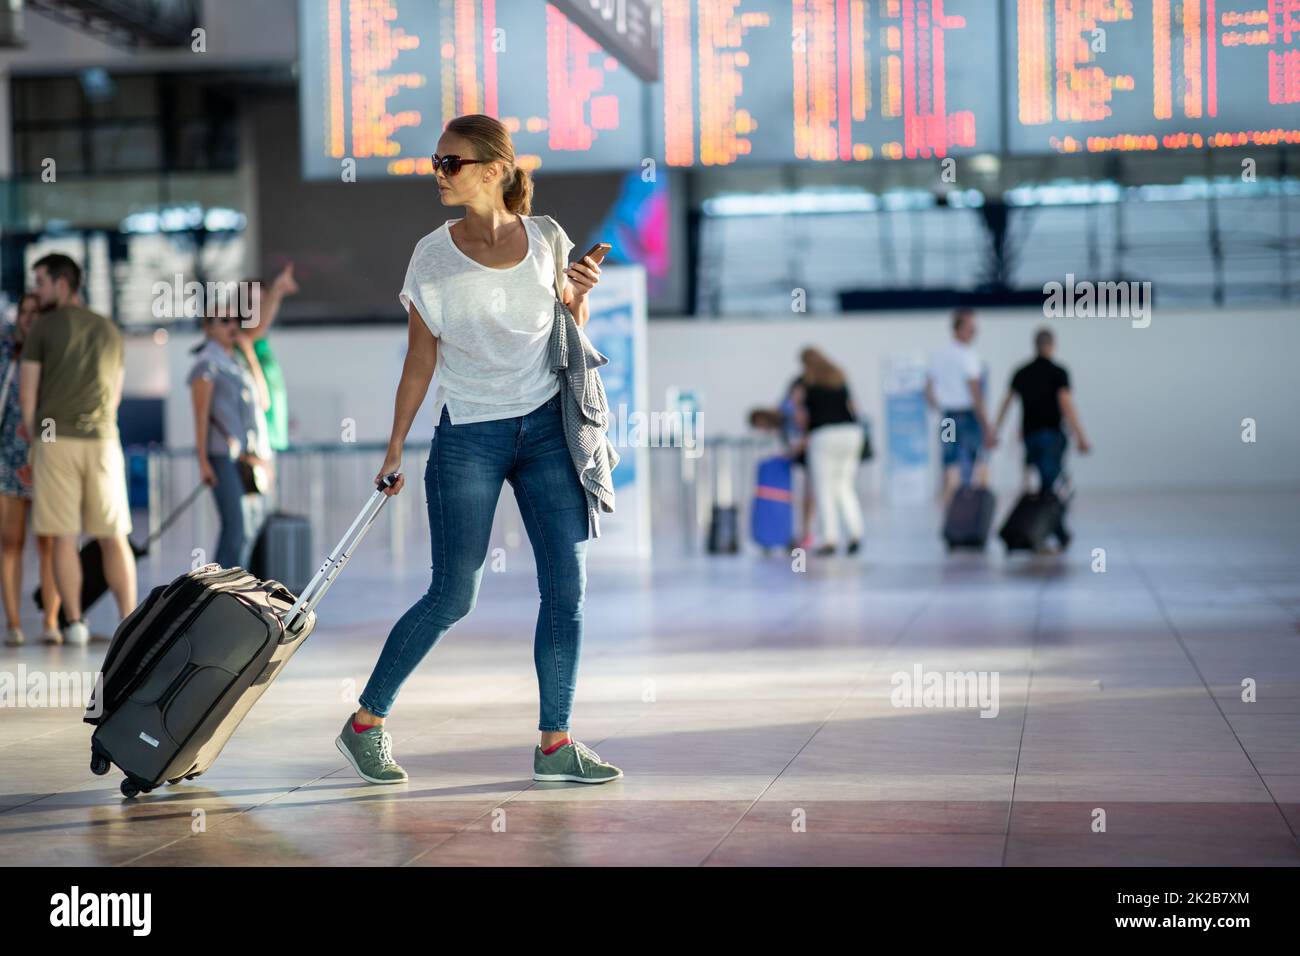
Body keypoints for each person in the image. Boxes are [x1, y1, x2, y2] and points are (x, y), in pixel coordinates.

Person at [336, 113, 622, 786]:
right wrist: (394, 447)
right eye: (437, 163)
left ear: (495, 170)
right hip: (469, 433)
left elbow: (566, 331)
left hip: (548, 428)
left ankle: (556, 745)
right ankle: (365, 724)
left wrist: (576, 298)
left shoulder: (548, 238)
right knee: (452, 595)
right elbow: (417, 360)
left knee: (566, 590)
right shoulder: (430, 255)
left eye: (450, 163)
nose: (438, 174)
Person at [19, 254, 135, 647]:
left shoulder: (43, 327)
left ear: (62, 283)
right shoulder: (109, 330)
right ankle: (128, 620)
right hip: (103, 440)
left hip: (56, 442)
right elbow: (115, 395)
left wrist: (37, 442)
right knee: (113, 534)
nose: (37, 289)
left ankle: (74, 623)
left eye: (41, 281)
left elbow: (28, 395)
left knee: (65, 537)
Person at [187, 306, 271, 569]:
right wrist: (203, 461)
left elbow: (264, 401)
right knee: (237, 525)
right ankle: (221, 589)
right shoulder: (206, 364)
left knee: (251, 524)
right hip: (221, 455)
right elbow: (200, 415)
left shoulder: (237, 363)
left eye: (235, 319)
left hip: (246, 458)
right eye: (224, 321)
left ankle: (237, 586)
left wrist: (249, 354)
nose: (232, 325)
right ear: (208, 328)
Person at [993, 327, 1091, 547]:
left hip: (1029, 437)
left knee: (1042, 485)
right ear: (1052, 345)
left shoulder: (1022, 372)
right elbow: (1067, 405)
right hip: (1051, 437)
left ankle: (1052, 532)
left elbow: (1006, 403)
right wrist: (1080, 436)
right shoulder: (1058, 372)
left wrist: (995, 431)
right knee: (1050, 486)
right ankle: (1052, 532)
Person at [1, 294, 61, 646]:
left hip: (45, 459)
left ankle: (52, 621)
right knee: (10, 543)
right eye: (23, 312)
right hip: (8, 459)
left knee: (50, 544)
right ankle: (13, 623)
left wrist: (48, 447)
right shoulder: (7, 355)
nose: (28, 318)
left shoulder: (53, 357)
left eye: (34, 313)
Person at [791, 348, 864, 556]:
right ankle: (855, 533)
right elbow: (854, 408)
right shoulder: (839, 377)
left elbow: (803, 418)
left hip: (824, 435)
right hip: (851, 433)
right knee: (845, 487)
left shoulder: (807, 384)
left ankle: (829, 538)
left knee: (824, 489)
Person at [926, 308, 996, 503]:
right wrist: (986, 425)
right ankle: (980, 508)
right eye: (971, 329)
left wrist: (938, 405)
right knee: (979, 460)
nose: (974, 333)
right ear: (958, 329)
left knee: (950, 462)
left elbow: (928, 389)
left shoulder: (939, 355)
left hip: (948, 417)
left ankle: (950, 510)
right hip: (968, 416)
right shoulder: (968, 356)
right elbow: (975, 392)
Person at [242, 264, 297, 454]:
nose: (257, 307)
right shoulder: (244, 336)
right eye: (250, 302)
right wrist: (277, 290)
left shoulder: (257, 338)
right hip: (256, 434)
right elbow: (259, 324)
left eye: (260, 302)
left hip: (269, 434)